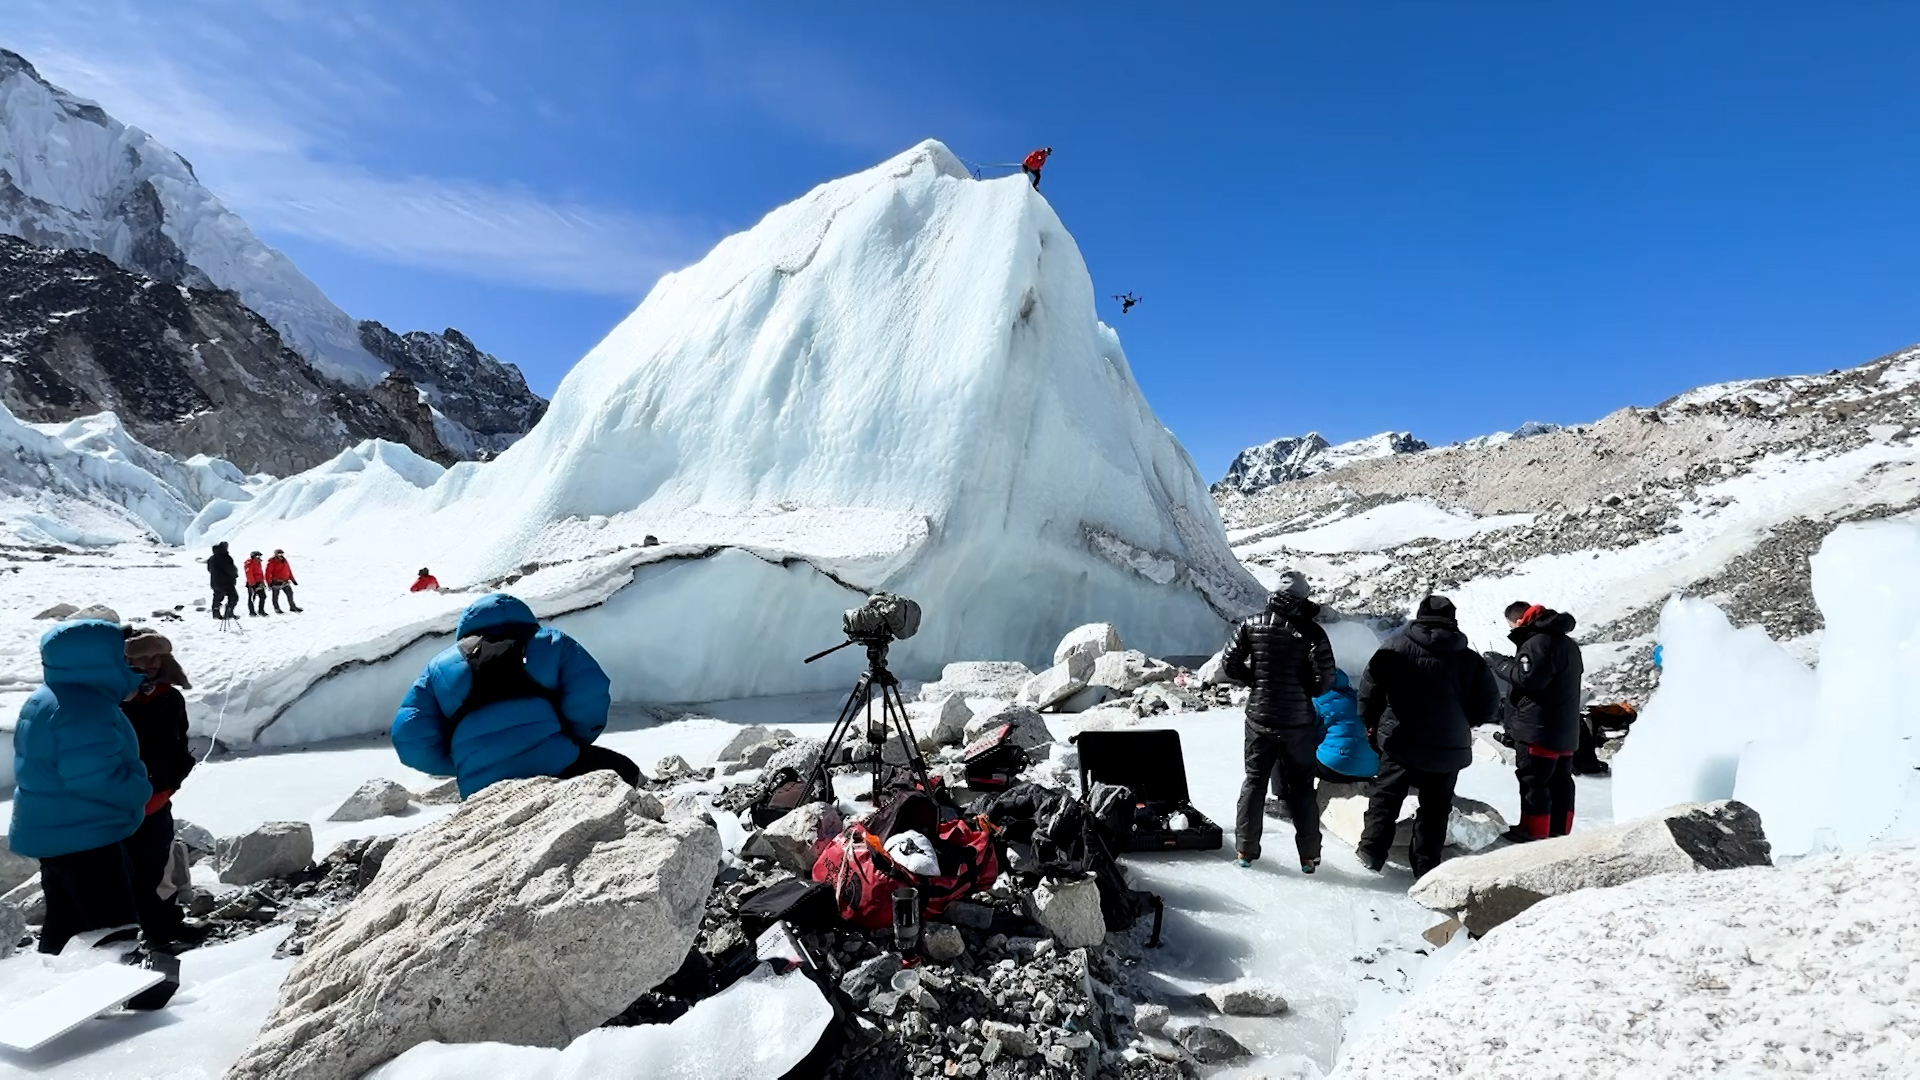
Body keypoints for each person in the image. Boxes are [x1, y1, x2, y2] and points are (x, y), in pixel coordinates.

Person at [391, 592, 637, 798]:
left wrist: (468, 763)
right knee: (626, 773)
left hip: (481, 789)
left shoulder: (438, 667)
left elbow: (410, 738)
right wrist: (572, 738)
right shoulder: (551, 641)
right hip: (556, 764)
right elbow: (589, 694)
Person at [8, 617, 151, 954]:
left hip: (53, 829)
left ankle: (53, 988)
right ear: (99, 660)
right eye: (120, 656)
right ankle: (123, 997)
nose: (126, 663)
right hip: (84, 834)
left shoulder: (48, 697)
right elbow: (93, 777)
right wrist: (140, 788)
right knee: (112, 928)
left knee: (66, 920)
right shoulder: (84, 708)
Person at [1355, 596, 1499, 876]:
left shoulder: (1395, 648)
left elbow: (1368, 691)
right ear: (1453, 621)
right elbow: (1489, 705)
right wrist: (1460, 723)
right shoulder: (1470, 659)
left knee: (1385, 798)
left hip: (1399, 740)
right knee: (1435, 809)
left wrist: (1371, 723)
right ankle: (1425, 865)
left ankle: (1371, 852)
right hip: (1449, 748)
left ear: (1419, 617)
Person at [1222, 570, 1336, 872]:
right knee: (1301, 786)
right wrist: (1305, 689)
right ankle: (1309, 856)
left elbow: (1229, 664)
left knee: (1255, 782)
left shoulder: (1252, 624)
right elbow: (1325, 680)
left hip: (1259, 717)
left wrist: (1256, 681)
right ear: (1303, 596)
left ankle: (1245, 851)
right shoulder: (1312, 633)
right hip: (1298, 722)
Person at [121, 627, 206, 949]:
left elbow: (177, 743)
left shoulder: (168, 696)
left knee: (159, 865)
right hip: (124, 799)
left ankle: (167, 924)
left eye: (156, 657)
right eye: (143, 658)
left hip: (157, 797)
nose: (151, 663)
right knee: (141, 869)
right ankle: (154, 934)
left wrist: (173, 779)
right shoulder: (116, 701)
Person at [1486, 601, 1585, 841]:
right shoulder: (1567, 644)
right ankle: (1559, 829)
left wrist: (1499, 663)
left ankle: (1533, 831)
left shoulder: (1537, 643)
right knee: (1560, 781)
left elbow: (1528, 680)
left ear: (1519, 621)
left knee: (1534, 781)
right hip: (1565, 728)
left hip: (1537, 728)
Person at [1314, 669, 1377, 784]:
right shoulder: (1354, 694)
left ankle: (1291, 798)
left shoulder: (1317, 699)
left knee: (1289, 747)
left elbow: (1305, 734)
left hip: (1336, 767)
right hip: (1370, 767)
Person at [206, 542, 239, 621]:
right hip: (227, 582)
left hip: (215, 582)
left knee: (217, 598)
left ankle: (216, 614)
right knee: (234, 597)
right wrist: (235, 574)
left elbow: (209, 569)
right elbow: (230, 569)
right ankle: (229, 612)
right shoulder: (226, 557)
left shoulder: (212, 558)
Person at [244, 551, 268, 617]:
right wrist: (252, 584)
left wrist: (262, 582)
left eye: (259, 556)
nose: (259, 557)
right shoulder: (249, 563)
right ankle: (252, 612)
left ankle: (261, 610)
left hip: (259, 582)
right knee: (252, 598)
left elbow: (260, 573)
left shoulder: (258, 563)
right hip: (252, 583)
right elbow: (249, 574)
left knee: (263, 596)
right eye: (257, 556)